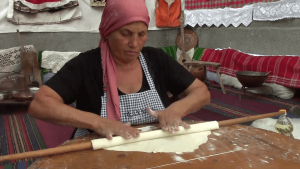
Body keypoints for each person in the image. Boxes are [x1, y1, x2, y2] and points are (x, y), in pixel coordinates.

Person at [28, 0, 210, 140]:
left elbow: (201, 92)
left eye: (141, 34)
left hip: (152, 145)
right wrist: (98, 122)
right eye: (125, 34)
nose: (135, 43)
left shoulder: (156, 59)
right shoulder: (86, 65)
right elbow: (40, 104)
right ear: (107, 31)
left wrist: (177, 109)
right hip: (99, 150)